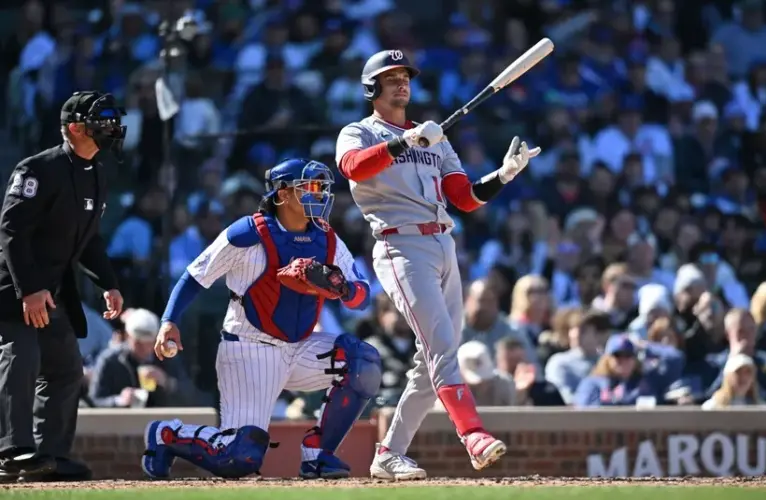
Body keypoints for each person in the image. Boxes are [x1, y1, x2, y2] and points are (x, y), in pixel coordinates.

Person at [335, 49, 541, 479]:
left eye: (405, 76)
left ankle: (389, 453)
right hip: (400, 246)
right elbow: (351, 167)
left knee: (430, 363)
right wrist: (405, 142)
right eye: (391, 77)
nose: (401, 83)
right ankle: (473, 436)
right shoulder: (360, 131)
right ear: (371, 87)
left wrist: (502, 176)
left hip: (443, 244)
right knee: (443, 350)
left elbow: (463, 197)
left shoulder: (434, 138)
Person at [141, 158, 380, 480]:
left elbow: (362, 297)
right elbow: (195, 276)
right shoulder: (248, 233)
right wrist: (169, 320)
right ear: (281, 193)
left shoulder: (327, 237)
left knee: (363, 360)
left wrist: (342, 288)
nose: (320, 195)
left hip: (300, 347)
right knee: (239, 458)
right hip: (250, 347)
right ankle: (167, 435)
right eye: (309, 187)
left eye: (322, 188)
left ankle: (318, 454)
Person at [0, 91, 125, 481]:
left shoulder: (98, 172)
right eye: (100, 122)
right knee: (20, 360)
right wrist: (30, 289)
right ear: (74, 128)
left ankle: (49, 457)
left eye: (111, 121)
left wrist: (109, 283)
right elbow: (12, 231)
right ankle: (12, 451)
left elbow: (88, 239)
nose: (111, 128)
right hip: (14, 290)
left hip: (52, 293)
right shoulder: (37, 169)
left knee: (66, 369)